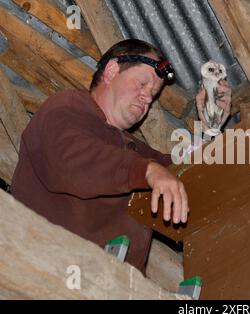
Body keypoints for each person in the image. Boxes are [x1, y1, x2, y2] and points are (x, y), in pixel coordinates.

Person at [11, 39, 231, 274]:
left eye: (153, 94)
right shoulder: (66, 107)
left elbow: (184, 177)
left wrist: (210, 130)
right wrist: (147, 171)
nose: (147, 98)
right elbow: (73, 162)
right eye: (142, 83)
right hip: (48, 272)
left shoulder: (134, 149)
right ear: (112, 71)